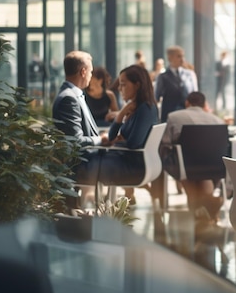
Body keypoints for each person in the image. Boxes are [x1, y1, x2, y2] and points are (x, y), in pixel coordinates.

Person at [82, 65, 159, 200]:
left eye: (123, 84)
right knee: (86, 159)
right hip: (129, 161)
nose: (119, 88)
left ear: (137, 85)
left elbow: (133, 144)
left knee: (82, 164)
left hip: (132, 166)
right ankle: (79, 205)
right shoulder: (137, 107)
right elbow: (112, 136)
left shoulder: (145, 109)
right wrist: (121, 114)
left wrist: (117, 140)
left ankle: (77, 205)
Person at [52, 50, 109, 210]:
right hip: (79, 168)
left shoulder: (74, 95)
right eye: (90, 71)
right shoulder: (69, 98)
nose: (91, 75)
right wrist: (101, 140)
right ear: (83, 72)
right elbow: (75, 141)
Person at [159, 91, 225, 222]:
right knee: (202, 175)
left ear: (187, 103)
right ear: (204, 104)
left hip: (185, 165)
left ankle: (200, 208)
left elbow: (166, 142)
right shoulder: (217, 120)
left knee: (182, 162)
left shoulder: (174, 117)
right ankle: (206, 204)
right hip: (212, 166)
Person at [155, 45, 198, 123]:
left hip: (188, 117)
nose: (182, 59)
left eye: (183, 56)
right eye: (179, 56)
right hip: (170, 118)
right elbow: (156, 97)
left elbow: (195, 94)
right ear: (169, 58)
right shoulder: (162, 77)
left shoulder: (190, 74)